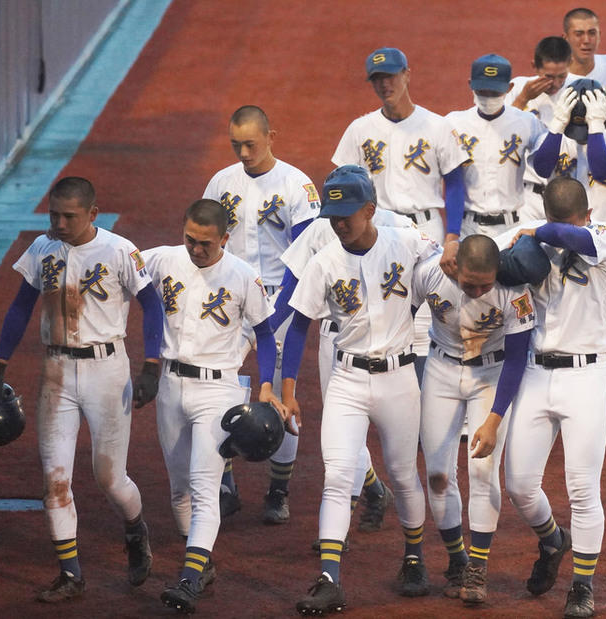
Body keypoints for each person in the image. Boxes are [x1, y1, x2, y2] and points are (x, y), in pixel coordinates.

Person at [0, 176, 163, 602]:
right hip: (56, 371)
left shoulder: (120, 250)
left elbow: (152, 304)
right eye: (54, 214)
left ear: (92, 214)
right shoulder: (42, 249)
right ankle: (70, 574)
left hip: (107, 370)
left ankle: (136, 529)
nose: (59, 223)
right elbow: (21, 306)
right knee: (55, 480)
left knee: (109, 477)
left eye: (69, 216)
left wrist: (151, 365)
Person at [282, 167, 439, 615]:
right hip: (347, 380)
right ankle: (329, 578)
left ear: (370, 210)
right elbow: (298, 327)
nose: (338, 223)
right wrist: (290, 389)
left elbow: (445, 259)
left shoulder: (405, 243)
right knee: (336, 475)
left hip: (398, 379)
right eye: (333, 214)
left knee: (404, 473)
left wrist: (451, 249)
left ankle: (414, 557)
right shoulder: (325, 261)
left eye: (347, 213)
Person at [143, 199, 285, 613]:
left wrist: (263, 385)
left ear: (225, 238)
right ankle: (201, 564)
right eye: (190, 239)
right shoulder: (164, 259)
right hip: (170, 385)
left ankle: (187, 579)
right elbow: (121, 266)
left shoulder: (242, 275)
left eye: (205, 242)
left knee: (205, 489)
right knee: (178, 490)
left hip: (218, 392)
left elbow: (265, 333)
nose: (196, 249)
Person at [503, 176, 606, 618]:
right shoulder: (530, 237)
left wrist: (536, 231)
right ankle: (554, 541)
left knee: (582, 487)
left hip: (586, 375)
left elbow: (568, 236)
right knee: (518, 485)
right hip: (535, 372)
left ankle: (582, 586)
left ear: (588, 216)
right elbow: (489, 259)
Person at [202, 105, 319, 524]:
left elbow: (303, 258)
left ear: (272, 136)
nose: (244, 153)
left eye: (251, 144)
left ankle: (278, 489)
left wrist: (276, 312)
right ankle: (225, 482)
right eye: (236, 145)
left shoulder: (297, 185)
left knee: (281, 398)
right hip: (231, 298)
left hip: (281, 295)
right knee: (221, 387)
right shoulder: (220, 182)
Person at [332, 47, 469, 381]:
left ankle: (428, 409)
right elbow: (342, 186)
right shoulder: (359, 130)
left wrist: (452, 236)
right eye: (377, 79)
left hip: (426, 230)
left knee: (428, 322)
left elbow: (454, 183)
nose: (384, 84)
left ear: (408, 74)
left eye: (390, 76)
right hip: (376, 232)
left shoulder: (436, 126)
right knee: (376, 318)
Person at [413, 234, 534, 604]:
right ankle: (457, 560)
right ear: (454, 266)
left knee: (483, 472)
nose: (480, 290)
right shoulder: (429, 273)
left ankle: (478, 568)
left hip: (492, 374)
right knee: (437, 475)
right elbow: (399, 314)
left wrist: (494, 420)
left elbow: (517, 358)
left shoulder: (514, 290)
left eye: (487, 283)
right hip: (440, 368)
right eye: (470, 284)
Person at [532, 80, 606, 412]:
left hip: (602, 254)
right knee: (554, 328)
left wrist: (595, 127)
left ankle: (603, 411)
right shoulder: (557, 139)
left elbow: (604, 168)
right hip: (559, 249)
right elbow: (540, 167)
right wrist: (556, 126)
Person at [446, 54, 546, 238]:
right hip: (467, 228)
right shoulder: (453, 123)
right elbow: (450, 181)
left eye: (494, 92)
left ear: (509, 88)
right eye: (482, 91)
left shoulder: (527, 122)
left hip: (512, 227)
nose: (488, 98)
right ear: (470, 84)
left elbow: (547, 166)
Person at [506, 36, 577, 222]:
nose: (555, 84)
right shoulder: (518, 88)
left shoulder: (580, 88)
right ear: (534, 67)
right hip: (526, 197)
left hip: (567, 195)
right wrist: (523, 99)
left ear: (570, 62)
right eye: (549, 77)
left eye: (562, 76)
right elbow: (501, 135)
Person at [562, 7, 606, 131]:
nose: (586, 40)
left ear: (599, 35)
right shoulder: (556, 79)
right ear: (565, 38)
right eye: (579, 34)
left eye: (592, 33)